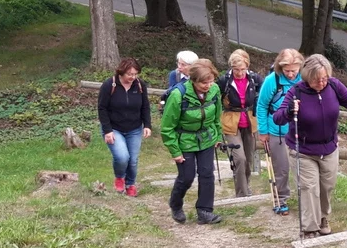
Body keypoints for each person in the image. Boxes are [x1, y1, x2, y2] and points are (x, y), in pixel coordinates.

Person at [274, 54, 347, 238]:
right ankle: (310, 227)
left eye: (324, 78)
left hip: (329, 148)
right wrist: (289, 110)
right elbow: (278, 117)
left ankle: (323, 218)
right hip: (303, 151)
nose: (321, 82)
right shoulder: (296, 92)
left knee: (326, 187)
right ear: (307, 77)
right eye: (316, 79)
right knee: (309, 188)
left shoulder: (334, 86)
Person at [161, 59, 224, 225]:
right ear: (193, 80)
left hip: (206, 138)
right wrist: (175, 151)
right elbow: (167, 127)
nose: (208, 85)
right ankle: (175, 204)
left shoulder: (215, 90)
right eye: (204, 83)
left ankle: (205, 211)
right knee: (187, 177)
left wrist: (217, 136)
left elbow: (217, 116)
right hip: (185, 140)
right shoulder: (178, 95)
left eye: (211, 81)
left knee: (207, 174)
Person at [257, 48, 304, 215]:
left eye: (294, 70)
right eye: (287, 71)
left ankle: (306, 200)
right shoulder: (272, 80)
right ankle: (281, 199)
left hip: (300, 131)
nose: (290, 74)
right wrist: (263, 131)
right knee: (282, 168)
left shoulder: (305, 79)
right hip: (277, 130)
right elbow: (262, 105)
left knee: (303, 168)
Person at [97, 57, 152, 197]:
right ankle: (120, 177)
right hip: (114, 128)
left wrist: (147, 125)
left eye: (135, 74)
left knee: (132, 160)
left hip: (134, 128)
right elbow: (102, 108)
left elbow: (145, 106)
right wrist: (107, 131)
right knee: (122, 157)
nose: (133, 77)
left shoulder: (139, 85)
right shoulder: (109, 85)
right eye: (129, 74)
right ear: (121, 72)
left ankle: (130, 184)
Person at [220, 49, 262, 197]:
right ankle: (241, 193)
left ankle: (246, 186)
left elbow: (265, 95)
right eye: (236, 69)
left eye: (242, 69)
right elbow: (214, 98)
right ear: (231, 67)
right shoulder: (224, 81)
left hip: (250, 121)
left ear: (247, 66)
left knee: (248, 158)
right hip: (231, 122)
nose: (239, 73)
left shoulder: (254, 79)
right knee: (240, 158)